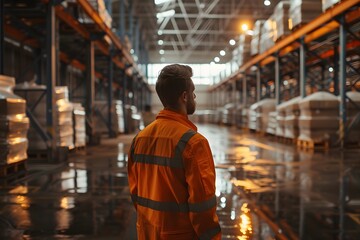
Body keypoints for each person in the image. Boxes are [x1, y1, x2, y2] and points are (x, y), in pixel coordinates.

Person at [127, 64, 221, 239]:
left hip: (147, 233)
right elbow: (203, 206)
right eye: (193, 92)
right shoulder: (193, 143)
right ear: (184, 96)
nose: (194, 96)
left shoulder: (139, 139)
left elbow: (135, 192)